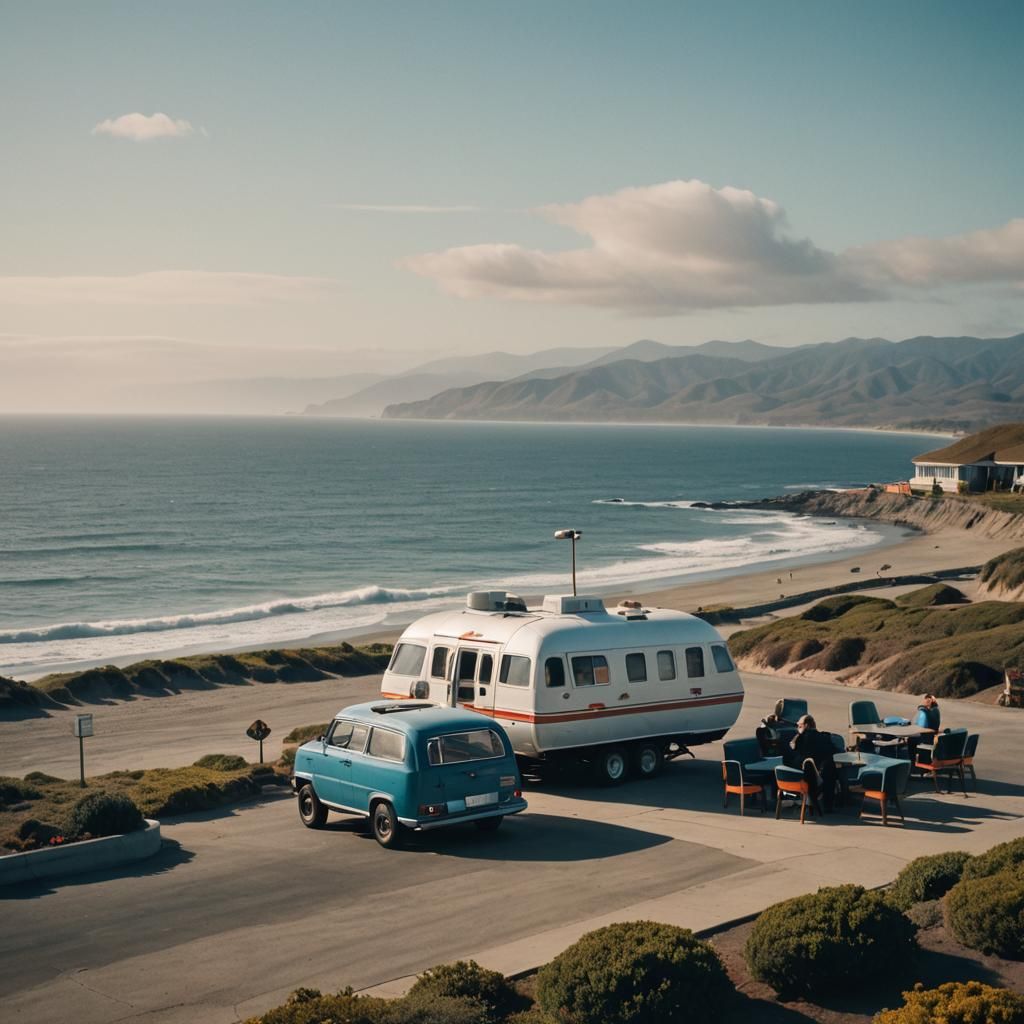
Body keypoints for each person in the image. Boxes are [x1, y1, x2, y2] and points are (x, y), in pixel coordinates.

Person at [784, 714, 838, 812]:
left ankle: (782, 799)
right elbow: (834, 750)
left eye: (799, 726)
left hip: (806, 776)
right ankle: (828, 805)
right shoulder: (825, 737)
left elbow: (791, 753)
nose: (797, 728)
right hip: (824, 774)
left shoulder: (801, 738)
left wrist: (798, 735)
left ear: (806, 726)